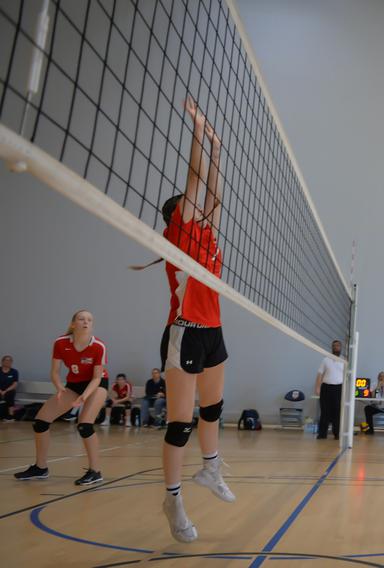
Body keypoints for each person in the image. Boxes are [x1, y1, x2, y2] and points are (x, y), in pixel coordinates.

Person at [157, 97, 233, 543]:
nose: (198, 211)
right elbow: (196, 181)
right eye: (188, 209)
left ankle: (210, 470)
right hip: (184, 334)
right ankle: (173, 499)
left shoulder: (206, 235)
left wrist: (218, 150)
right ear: (176, 218)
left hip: (213, 332)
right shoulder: (178, 237)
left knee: (214, 409)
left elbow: (213, 194)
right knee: (180, 425)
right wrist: (198, 132)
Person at [13, 311, 108, 485]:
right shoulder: (60, 343)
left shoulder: (98, 346)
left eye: (89, 320)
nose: (86, 322)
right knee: (40, 422)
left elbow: (97, 378)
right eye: (81, 319)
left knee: (84, 425)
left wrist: (84, 397)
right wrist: (59, 388)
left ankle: (95, 471)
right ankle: (40, 468)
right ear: (73, 324)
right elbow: (55, 372)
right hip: (73, 385)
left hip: (96, 385)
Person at [315, 339, 345, 440]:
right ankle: (322, 434)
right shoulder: (326, 359)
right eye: (334, 346)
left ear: (340, 348)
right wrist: (318, 387)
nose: (336, 347)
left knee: (337, 412)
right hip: (326, 388)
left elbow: (347, 377)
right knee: (324, 411)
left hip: (339, 389)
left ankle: (337, 434)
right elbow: (319, 374)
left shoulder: (344, 361)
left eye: (337, 346)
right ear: (332, 348)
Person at [0, 355, 18, 421]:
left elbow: (15, 384)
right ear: (2, 362)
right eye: (6, 360)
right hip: (0, 390)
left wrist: (5, 391)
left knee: (11, 394)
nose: (8, 362)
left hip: (9, 390)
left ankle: (11, 416)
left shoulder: (14, 372)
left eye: (9, 361)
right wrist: (0, 391)